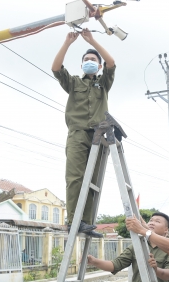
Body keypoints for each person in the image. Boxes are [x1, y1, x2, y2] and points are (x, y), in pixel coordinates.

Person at [51, 30, 116, 238]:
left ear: (98, 66)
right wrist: (67, 42)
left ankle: (86, 222)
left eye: (93, 59)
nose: (89, 61)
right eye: (86, 59)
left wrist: (92, 41)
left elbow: (112, 62)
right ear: (81, 65)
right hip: (78, 134)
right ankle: (74, 221)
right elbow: (56, 68)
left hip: (99, 136)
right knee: (75, 178)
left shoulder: (103, 83)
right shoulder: (74, 84)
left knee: (93, 181)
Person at [87, 212, 169, 282]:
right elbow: (115, 265)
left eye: (157, 221)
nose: (152, 223)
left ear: (166, 230)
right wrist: (94, 261)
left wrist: (156, 270)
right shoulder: (137, 246)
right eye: (151, 220)